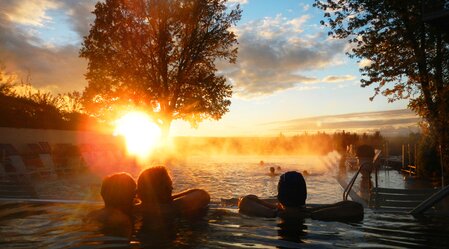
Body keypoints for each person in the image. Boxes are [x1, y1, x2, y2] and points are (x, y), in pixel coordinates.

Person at [238, 171, 363, 222]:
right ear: (304, 195)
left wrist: (275, 209)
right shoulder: (312, 216)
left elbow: (245, 200)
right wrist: (310, 212)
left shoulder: (272, 214)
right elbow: (356, 208)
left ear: (280, 196)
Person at [135, 166, 210, 222]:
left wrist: (168, 198)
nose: (172, 189)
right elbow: (203, 195)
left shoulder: (134, 208)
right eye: (168, 186)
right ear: (158, 189)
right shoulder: (171, 208)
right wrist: (171, 200)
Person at [85, 172, 137, 237]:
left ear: (103, 194)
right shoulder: (128, 220)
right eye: (134, 193)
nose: (136, 196)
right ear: (130, 197)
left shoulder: (92, 215)